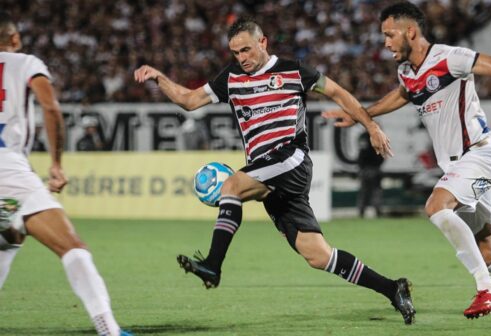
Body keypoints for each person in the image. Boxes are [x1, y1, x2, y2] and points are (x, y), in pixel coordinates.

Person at [135, 17, 416, 324]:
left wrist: (371, 126)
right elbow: (189, 101)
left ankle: (213, 264)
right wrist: (159, 78)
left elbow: (338, 93)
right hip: (267, 171)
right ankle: (393, 288)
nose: (241, 58)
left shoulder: (294, 71)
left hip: (290, 158)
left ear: (263, 42)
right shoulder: (230, 78)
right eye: (235, 53)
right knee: (318, 255)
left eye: (246, 50)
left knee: (231, 187)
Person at [322, 1, 491, 319]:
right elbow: (403, 93)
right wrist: (361, 115)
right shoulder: (407, 72)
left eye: (390, 35)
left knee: (435, 206)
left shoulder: (449, 58)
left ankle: (487, 291)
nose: (386, 43)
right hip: (462, 166)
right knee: (486, 254)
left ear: (411, 31)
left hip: (479, 154)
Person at [0, 12, 132, 336]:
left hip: (9, 175)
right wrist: (56, 163)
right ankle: (109, 329)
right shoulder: (25, 62)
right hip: (7, 166)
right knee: (72, 246)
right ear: (14, 38)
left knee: (8, 239)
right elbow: (51, 107)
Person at [357, 130, 384, 217]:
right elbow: (382, 153)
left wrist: (361, 166)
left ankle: (362, 211)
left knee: (366, 191)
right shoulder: (379, 136)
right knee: (375, 191)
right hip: (372, 168)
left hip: (367, 168)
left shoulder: (363, 136)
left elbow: (361, 153)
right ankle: (377, 210)